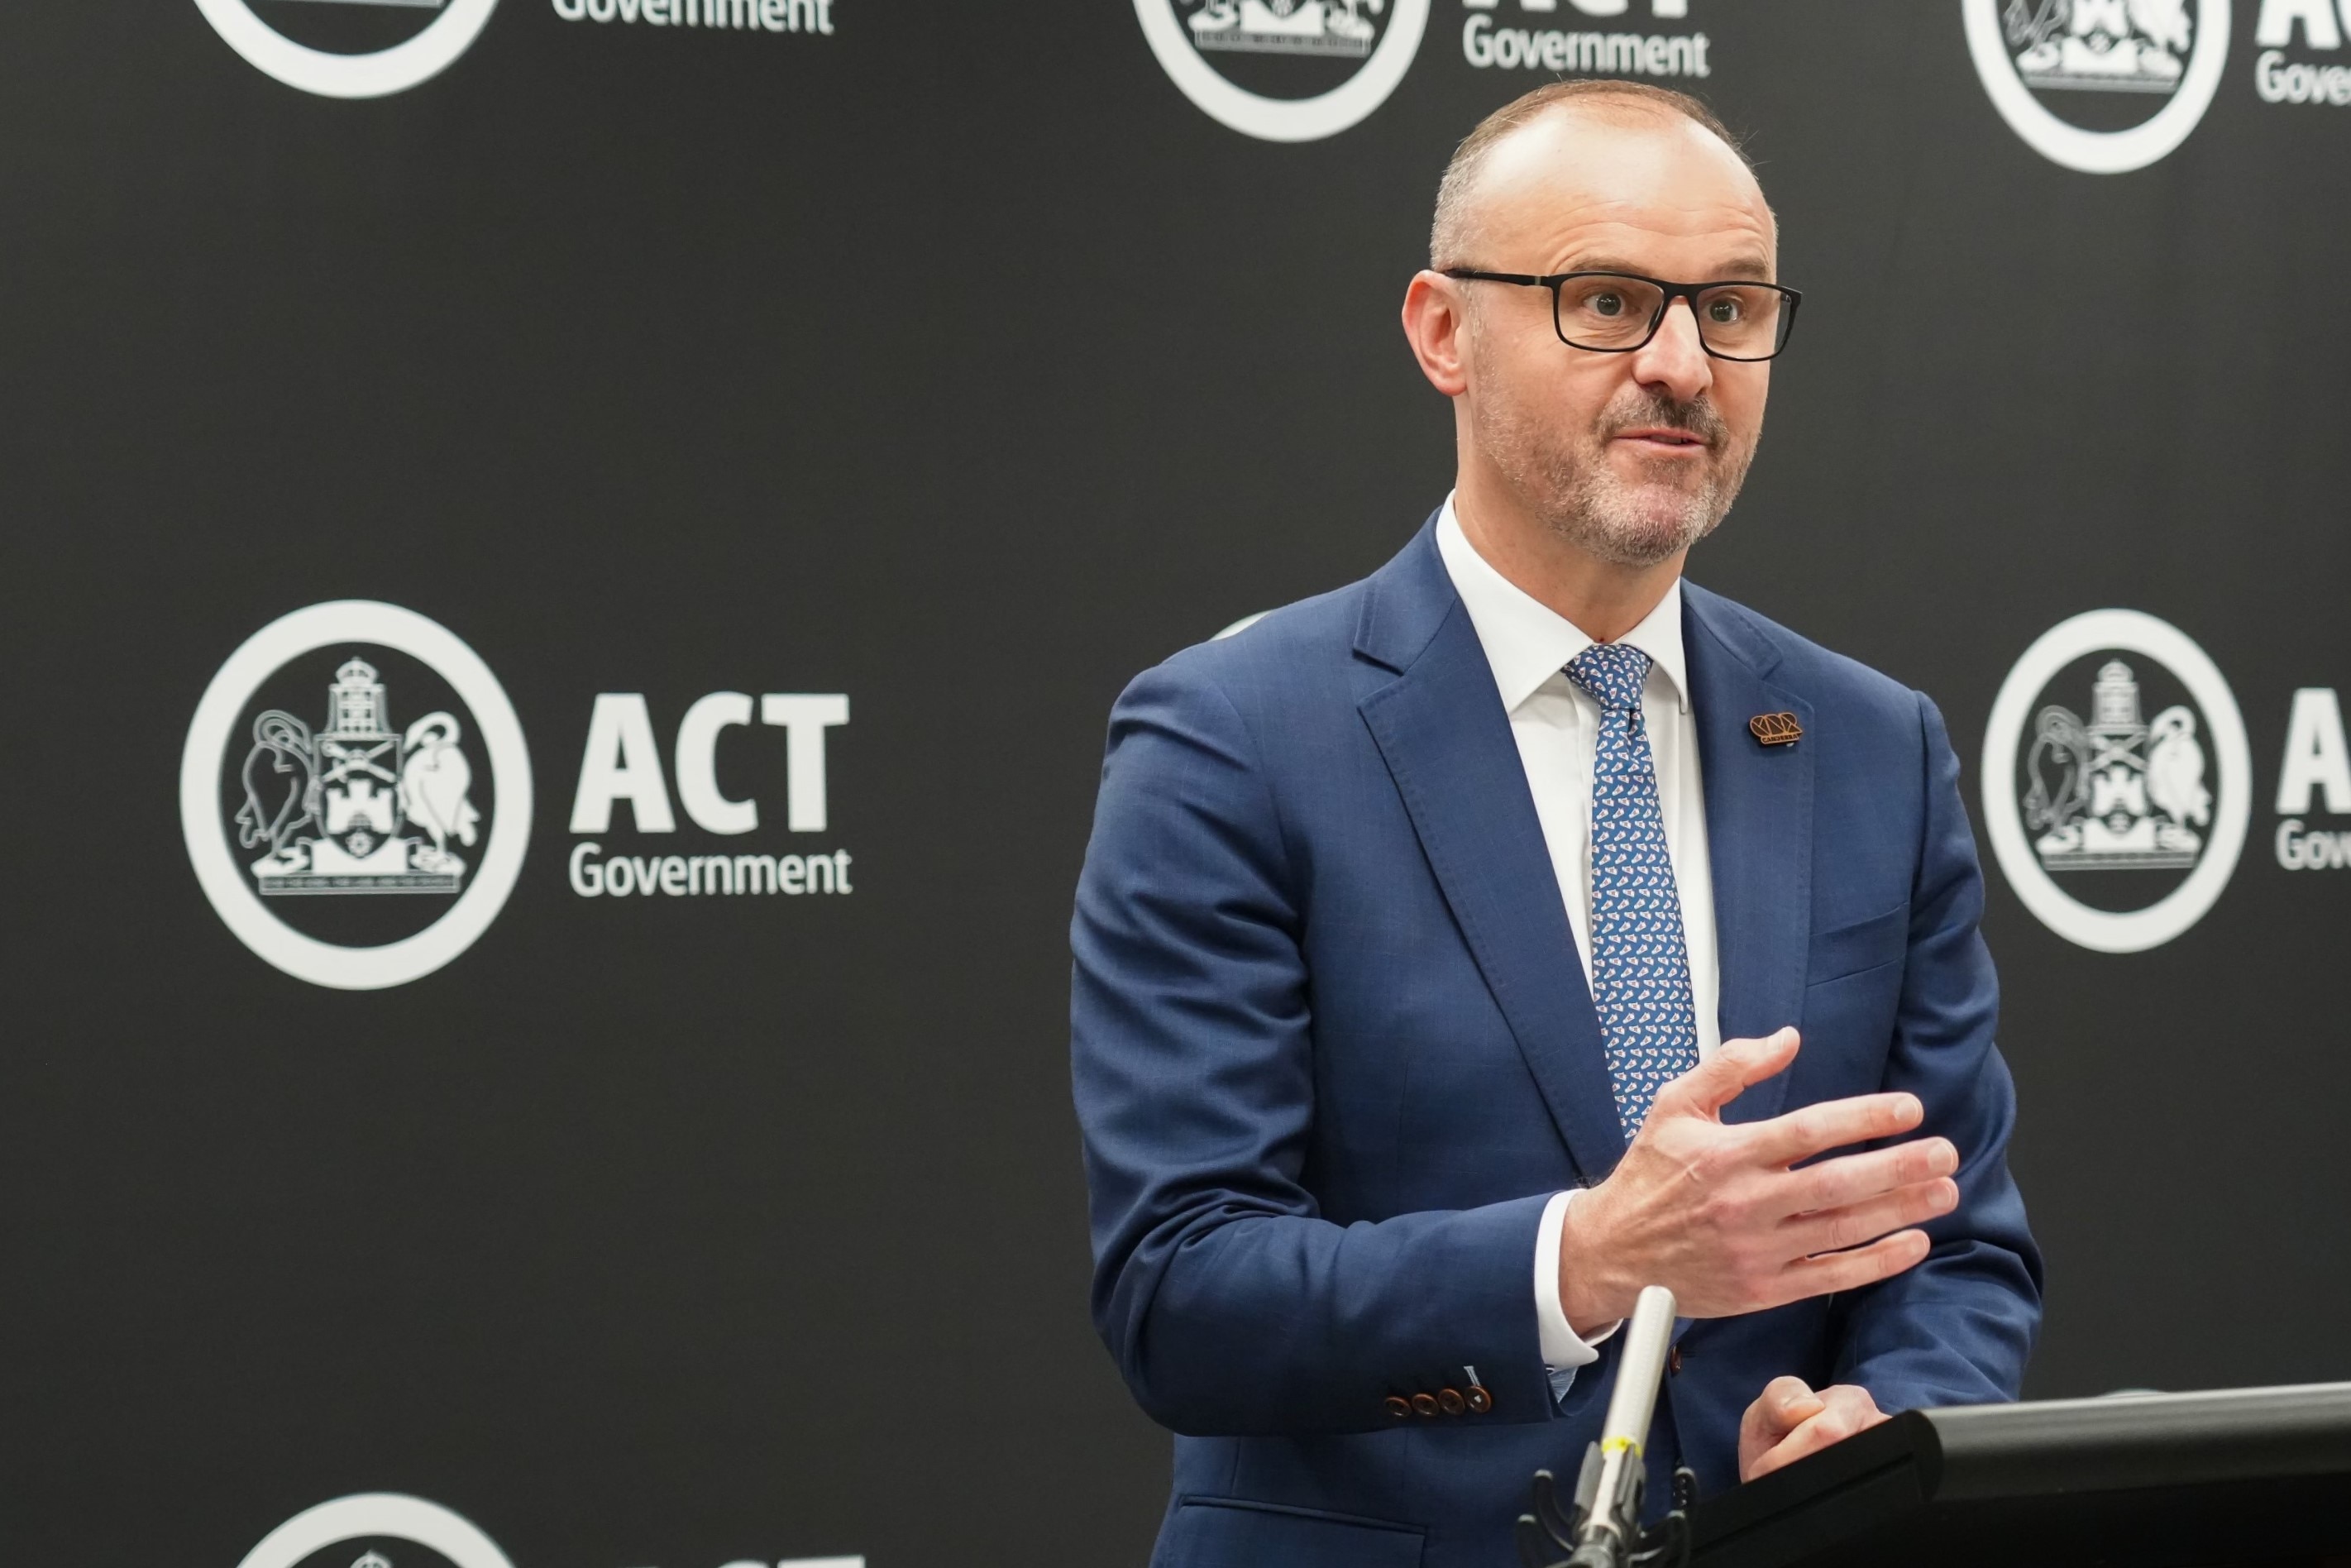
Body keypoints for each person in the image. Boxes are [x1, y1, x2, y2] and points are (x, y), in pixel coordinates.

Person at [1070, 79, 2041, 1568]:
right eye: (1605, 300)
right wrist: (1582, 1262)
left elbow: (1955, 1237)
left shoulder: (1873, 746)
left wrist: (1882, 1426)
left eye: (1729, 307)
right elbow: (1183, 1293)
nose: (1681, 365)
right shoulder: (1234, 738)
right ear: (1444, 331)